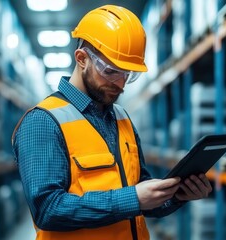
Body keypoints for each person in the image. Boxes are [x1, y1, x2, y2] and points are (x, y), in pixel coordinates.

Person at [12, 5, 212, 240]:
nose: (121, 84)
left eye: (128, 74)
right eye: (111, 71)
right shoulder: (43, 121)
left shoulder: (122, 118)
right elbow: (47, 209)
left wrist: (176, 195)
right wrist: (133, 198)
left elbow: (142, 196)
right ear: (82, 58)